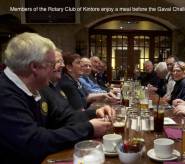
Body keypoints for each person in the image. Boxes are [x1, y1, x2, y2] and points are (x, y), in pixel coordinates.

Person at [0, 32, 113, 164]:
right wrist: (89, 128)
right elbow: (34, 142)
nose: (57, 68)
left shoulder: (35, 86)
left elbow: (63, 117)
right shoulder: (4, 94)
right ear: (35, 67)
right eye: (51, 64)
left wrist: (94, 113)